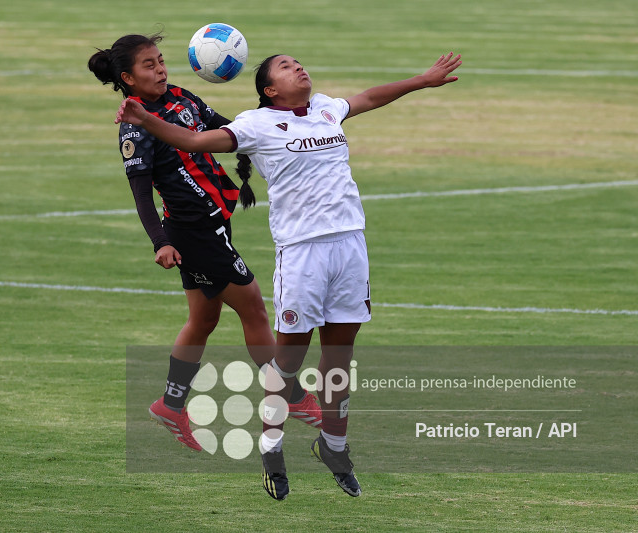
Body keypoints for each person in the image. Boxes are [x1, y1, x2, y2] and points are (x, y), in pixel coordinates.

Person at [115, 51, 462, 498]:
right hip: (302, 255)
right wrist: (145, 118)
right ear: (269, 90)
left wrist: (423, 80)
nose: (299, 67)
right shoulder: (255, 125)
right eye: (285, 67)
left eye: (298, 61)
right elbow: (194, 142)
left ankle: (334, 447)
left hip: (352, 247)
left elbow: (371, 97)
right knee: (288, 360)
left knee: (339, 359)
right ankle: (273, 450)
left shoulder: (325, 109)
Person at [88, 33, 321, 454]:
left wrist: (263, 140)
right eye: (148, 65)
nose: (160, 69)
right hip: (193, 234)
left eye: (161, 61)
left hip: (214, 223)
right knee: (253, 306)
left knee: (203, 319)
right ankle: (290, 393)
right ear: (127, 78)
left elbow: (225, 127)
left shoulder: (181, 96)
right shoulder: (135, 128)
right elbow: (141, 194)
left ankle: (171, 405)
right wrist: (160, 241)